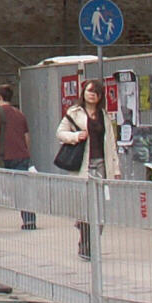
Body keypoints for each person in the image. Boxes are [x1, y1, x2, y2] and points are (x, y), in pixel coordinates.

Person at [55, 78, 120, 259]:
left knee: (99, 208)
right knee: (85, 207)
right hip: (83, 165)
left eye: (96, 92)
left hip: (101, 164)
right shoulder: (74, 113)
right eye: (89, 91)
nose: (92, 95)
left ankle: (93, 241)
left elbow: (111, 143)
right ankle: (85, 242)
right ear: (83, 93)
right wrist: (76, 136)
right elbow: (60, 133)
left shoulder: (104, 115)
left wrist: (115, 169)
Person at [0, 84, 37, 230]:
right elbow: (27, 137)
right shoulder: (19, 113)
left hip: (4, 156)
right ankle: (29, 220)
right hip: (21, 155)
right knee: (23, 189)